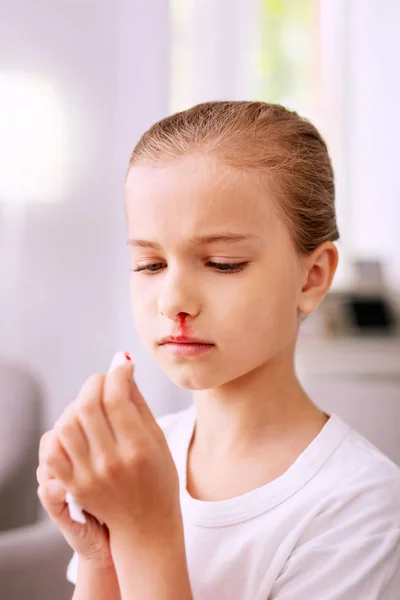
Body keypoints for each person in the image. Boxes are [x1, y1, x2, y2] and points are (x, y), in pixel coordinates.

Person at [37, 101, 400, 600]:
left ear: (312, 277)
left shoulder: (361, 505)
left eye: (223, 263)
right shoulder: (140, 457)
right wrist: (101, 554)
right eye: (149, 264)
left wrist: (145, 531)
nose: (173, 301)